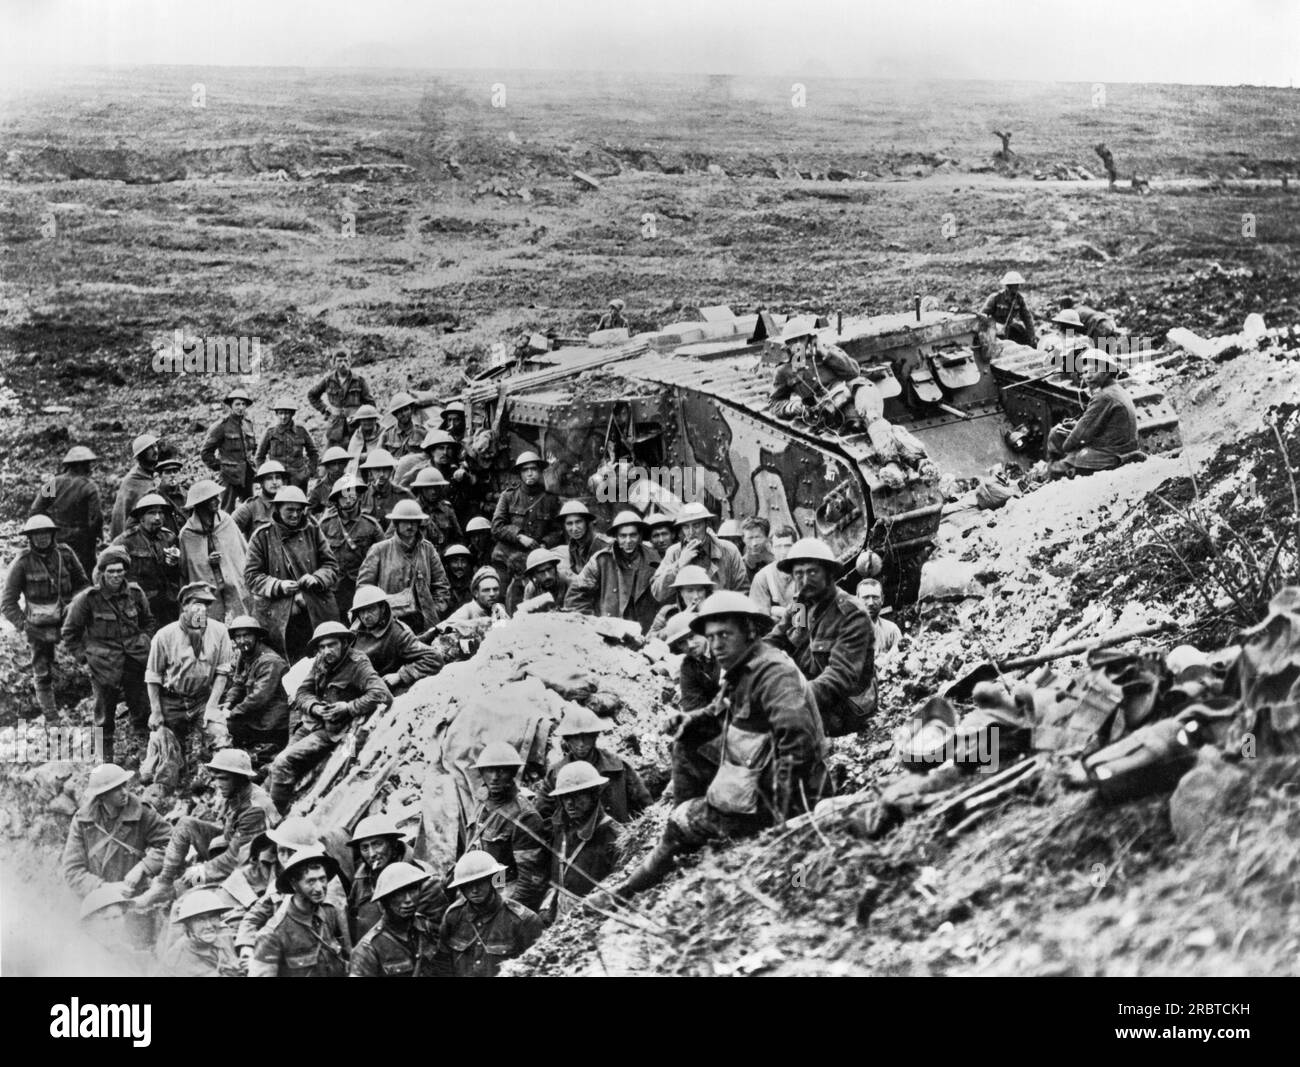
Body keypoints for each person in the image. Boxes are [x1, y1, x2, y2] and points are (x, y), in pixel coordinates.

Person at [610, 593, 830, 898]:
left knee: (680, 823)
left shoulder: (773, 674)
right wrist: (689, 721)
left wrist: (782, 822)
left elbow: (799, 747)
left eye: (724, 635)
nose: (716, 646)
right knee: (687, 742)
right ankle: (696, 831)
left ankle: (628, 890)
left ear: (749, 632)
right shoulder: (743, 670)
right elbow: (718, 711)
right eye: (711, 637)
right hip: (761, 778)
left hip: (787, 797)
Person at [266, 621, 391, 813]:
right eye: (322, 647)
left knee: (285, 762)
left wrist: (348, 707)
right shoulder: (320, 661)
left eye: (331, 645)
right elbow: (302, 693)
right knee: (275, 769)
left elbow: (381, 694)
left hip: (344, 732)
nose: (326, 651)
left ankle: (276, 815)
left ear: (343, 643)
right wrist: (315, 707)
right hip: (314, 725)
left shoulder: (358, 663)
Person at [135, 748, 277, 908]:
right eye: (216, 778)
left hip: (252, 868)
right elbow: (227, 831)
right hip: (232, 850)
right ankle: (164, 882)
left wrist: (201, 871)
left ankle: (171, 891)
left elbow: (235, 859)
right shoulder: (236, 794)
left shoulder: (255, 808)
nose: (218, 784)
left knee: (185, 892)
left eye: (224, 779)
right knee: (185, 824)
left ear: (241, 778)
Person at [767, 538, 876, 737]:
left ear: (828, 574)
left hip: (846, 707)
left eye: (812, 572)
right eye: (799, 573)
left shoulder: (850, 613)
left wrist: (793, 699)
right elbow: (776, 639)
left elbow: (840, 677)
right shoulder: (801, 606)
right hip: (810, 693)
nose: (805, 580)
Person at [60, 547, 154, 761]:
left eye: (120, 571)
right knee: (104, 715)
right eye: (111, 571)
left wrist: (144, 641)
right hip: (103, 663)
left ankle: (143, 756)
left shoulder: (136, 594)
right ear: (101, 572)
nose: (115, 576)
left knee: (141, 710)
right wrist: (84, 657)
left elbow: (148, 621)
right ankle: (106, 762)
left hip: (135, 659)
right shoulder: (87, 599)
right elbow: (69, 632)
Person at [2, 514, 89, 716]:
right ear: (30, 538)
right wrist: (24, 625)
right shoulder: (22, 562)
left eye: (46, 533)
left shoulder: (65, 554)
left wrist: (77, 610)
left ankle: (97, 707)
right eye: (36, 534)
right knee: (42, 672)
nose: (42, 538)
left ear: (52, 534)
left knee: (93, 658)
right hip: (38, 625)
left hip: (69, 619)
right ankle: (51, 716)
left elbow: (83, 585)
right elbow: (7, 602)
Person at [244, 485, 340, 660]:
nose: (295, 515)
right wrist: (277, 585)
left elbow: (331, 565)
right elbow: (251, 576)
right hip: (278, 616)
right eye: (290, 510)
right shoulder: (262, 537)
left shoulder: (313, 531)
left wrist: (316, 578)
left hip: (314, 609)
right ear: (278, 508)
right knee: (285, 662)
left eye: (299, 510)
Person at [143, 581, 235, 758]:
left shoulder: (219, 631)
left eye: (206, 604)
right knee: (166, 756)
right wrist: (156, 712)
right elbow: (153, 677)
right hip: (171, 701)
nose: (201, 610)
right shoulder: (164, 636)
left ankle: (219, 779)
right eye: (196, 604)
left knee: (220, 736)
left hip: (202, 699)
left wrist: (212, 706)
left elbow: (222, 673)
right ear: (184, 606)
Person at [458, 742, 548, 911]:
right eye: (489, 770)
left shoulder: (524, 816)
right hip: (477, 887)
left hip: (504, 888)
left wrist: (506, 914)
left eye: (502, 770)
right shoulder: (482, 801)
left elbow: (530, 880)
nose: (494, 777)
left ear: (513, 773)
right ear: (481, 773)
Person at [61, 762, 170, 899]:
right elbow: (72, 871)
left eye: (124, 785)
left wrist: (143, 867)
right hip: (99, 900)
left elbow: (172, 843)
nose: (124, 792)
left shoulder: (141, 812)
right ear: (102, 796)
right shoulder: (83, 821)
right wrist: (104, 888)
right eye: (116, 789)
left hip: (136, 896)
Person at [533, 705, 650, 825]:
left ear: (594, 737)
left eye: (586, 737)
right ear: (567, 739)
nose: (581, 744)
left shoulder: (617, 766)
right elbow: (544, 816)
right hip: (577, 840)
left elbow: (645, 804)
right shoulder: (556, 774)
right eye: (575, 737)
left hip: (614, 836)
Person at [437, 850, 543, 977]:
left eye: (480, 882)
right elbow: (442, 964)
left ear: (493, 880)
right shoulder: (453, 916)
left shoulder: (523, 920)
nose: (474, 890)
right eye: (468, 884)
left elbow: (540, 967)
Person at [249, 845, 351, 977]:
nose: (319, 888)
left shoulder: (327, 915)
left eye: (322, 879)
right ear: (294, 884)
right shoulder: (273, 934)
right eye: (311, 881)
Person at [346, 814, 447, 943]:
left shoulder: (424, 878)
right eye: (364, 847)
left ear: (393, 843)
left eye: (377, 844)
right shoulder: (361, 881)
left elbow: (438, 932)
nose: (371, 854)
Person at [356, 500, 450, 638]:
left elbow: (442, 585)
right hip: (390, 623)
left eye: (414, 522)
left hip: (424, 623)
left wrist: (435, 610)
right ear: (396, 523)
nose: (410, 526)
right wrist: (379, 616)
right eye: (405, 521)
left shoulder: (428, 549)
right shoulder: (380, 550)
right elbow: (364, 588)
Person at [542, 761, 621, 923]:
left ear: (594, 795)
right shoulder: (561, 830)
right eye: (565, 797)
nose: (570, 803)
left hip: (594, 920)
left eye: (577, 795)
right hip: (560, 918)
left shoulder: (613, 836)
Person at [1046, 350, 1140, 478]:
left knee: (1059, 465)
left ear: (1107, 372)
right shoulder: (1115, 390)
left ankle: (1049, 475)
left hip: (1111, 454)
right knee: (1059, 434)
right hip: (1120, 447)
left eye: (1093, 371)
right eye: (1084, 372)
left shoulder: (1104, 396)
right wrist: (1074, 426)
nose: (1088, 376)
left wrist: (1066, 447)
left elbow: (1082, 432)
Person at [564, 510, 662, 633]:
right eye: (623, 536)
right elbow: (576, 596)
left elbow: (664, 597)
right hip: (611, 632)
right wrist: (593, 625)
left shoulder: (654, 560)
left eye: (633, 535)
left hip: (645, 632)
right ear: (616, 537)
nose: (628, 541)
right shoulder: (602, 560)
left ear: (640, 536)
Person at [492, 451, 564, 611]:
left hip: (536, 560)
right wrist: (519, 536)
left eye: (534, 469)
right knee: (499, 598)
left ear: (540, 472)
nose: (530, 473)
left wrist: (545, 544)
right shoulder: (508, 497)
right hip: (507, 558)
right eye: (525, 470)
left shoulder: (550, 499)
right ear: (520, 474)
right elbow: (496, 527)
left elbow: (558, 530)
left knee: (538, 600)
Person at [349, 861, 444, 976]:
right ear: (385, 900)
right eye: (399, 894)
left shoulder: (425, 928)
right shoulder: (367, 949)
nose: (408, 899)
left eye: (412, 890)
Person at [176, 479, 248, 624]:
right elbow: (186, 571)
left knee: (238, 628)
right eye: (211, 498)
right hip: (203, 595)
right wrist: (207, 562)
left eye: (217, 496)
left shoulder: (226, 522)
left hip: (232, 589)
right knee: (201, 631)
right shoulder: (187, 534)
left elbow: (242, 553)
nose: (218, 500)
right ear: (200, 504)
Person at [349, 585, 444, 692]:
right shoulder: (355, 630)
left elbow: (434, 658)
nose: (365, 616)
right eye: (361, 611)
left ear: (382, 608)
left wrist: (400, 676)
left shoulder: (398, 633)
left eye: (371, 609)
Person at [219, 615, 290, 753]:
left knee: (225, 726)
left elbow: (258, 698)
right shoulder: (245, 655)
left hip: (271, 724)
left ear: (257, 636)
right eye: (238, 637)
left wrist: (232, 713)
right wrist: (228, 703)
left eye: (246, 635)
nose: (242, 641)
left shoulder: (270, 661)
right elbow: (238, 683)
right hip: (256, 717)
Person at [649, 501, 747, 602]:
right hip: (688, 614)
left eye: (696, 525)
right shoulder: (674, 552)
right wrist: (678, 565)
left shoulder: (728, 550)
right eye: (686, 527)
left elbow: (743, 590)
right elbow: (658, 594)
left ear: (706, 524)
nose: (691, 532)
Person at [317, 474, 384, 619]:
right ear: (336, 500)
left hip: (361, 586)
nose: (348, 500)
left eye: (352, 496)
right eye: (343, 497)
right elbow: (316, 556)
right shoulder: (326, 525)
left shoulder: (371, 526)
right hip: (334, 588)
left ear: (359, 497)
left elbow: (383, 557)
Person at [30, 444, 102, 577]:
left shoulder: (53, 483)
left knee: (56, 572)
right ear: (81, 465)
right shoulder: (89, 487)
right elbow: (95, 519)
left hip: (56, 537)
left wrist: (47, 529)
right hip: (82, 541)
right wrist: (95, 537)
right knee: (83, 576)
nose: (89, 468)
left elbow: (36, 509)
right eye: (87, 464)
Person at [111, 492, 183, 626]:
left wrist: (175, 562)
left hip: (167, 604)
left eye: (160, 513)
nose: (157, 518)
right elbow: (109, 571)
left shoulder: (169, 538)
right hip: (139, 604)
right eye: (151, 513)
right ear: (141, 517)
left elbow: (178, 574)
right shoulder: (125, 541)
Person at [768, 321, 862, 420]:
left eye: (802, 338)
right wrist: (790, 406)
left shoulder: (826, 351)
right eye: (794, 341)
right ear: (787, 344)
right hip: (823, 413)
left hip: (847, 397)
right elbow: (774, 404)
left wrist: (825, 353)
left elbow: (854, 372)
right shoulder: (784, 370)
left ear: (810, 339)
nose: (799, 344)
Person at [201, 386, 258, 512]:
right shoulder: (221, 426)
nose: (241, 407)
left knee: (251, 508)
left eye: (243, 404)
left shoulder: (248, 424)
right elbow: (206, 452)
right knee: (227, 511)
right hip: (229, 477)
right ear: (230, 406)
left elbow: (253, 447)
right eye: (237, 404)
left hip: (247, 474)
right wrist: (220, 467)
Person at [161, 890, 242, 976]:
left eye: (213, 917)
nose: (208, 926)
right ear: (188, 925)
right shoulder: (176, 957)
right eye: (200, 920)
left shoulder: (225, 934)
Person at [307, 349, 375, 447]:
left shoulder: (359, 381)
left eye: (346, 360)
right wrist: (325, 409)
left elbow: (370, 404)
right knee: (330, 455)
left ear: (350, 362)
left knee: (358, 452)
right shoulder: (328, 381)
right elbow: (312, 395)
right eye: (339, 361)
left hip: (356, 426)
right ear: (334, 363)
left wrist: (359, 415)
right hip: (335, 426)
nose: (343, 364)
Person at [256, 398, 319, 491]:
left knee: (299, 504)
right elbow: (259, 457)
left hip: (299, 479)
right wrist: (264, 476)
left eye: (286, 413)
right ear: (276, 414)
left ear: (292, 414)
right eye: (280, 413)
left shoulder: (300, 430)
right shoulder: (270, 432)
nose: (283, 417)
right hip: (278, 480)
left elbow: (313, 453)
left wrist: (309, 472)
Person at [109, 434, 160, 538]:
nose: (155, 451)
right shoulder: (131, 481)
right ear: (141, 454)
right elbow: (121, 515)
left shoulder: (156, 476)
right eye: (150, 448)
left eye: (155, 446)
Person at [648, 563, 714, 639]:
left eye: (700, 590)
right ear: (680, 593)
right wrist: (679, 621)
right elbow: (649, 640)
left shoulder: (716, 611)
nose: (696, 596)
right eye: (690, 591)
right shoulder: (668, 612)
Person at [749, 524, 797, 621]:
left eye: (788, 546)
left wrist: (776, 610)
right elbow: (759, 616)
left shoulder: (806, 573)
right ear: (771, 548)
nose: (783, 551)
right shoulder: (763, 577)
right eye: (778, 546)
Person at [359, 449, 414, 531]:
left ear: (391, 470)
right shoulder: (361, 495)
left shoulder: (403, 495)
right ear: (370, 471)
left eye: (385, 469)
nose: (381, 474)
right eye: (377, 470)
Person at [409, 466, 463, 551]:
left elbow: (458, 538)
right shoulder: (410, 509)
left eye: (436, 487)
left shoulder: (447, 509)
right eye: (429, 488)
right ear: (421, 489)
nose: (433, 492)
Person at [231, 460, 286, 539]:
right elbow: (229, 530)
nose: (274, 482)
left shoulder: (289, 503)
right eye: (269, 478)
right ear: (262, 482)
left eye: (278, 477)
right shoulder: (251, 506)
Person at [982, 270, 1037, 347]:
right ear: (1007, 286)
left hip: (1006, 331)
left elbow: (1027, 318)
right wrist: (992, 327)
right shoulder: (995, 298)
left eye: (1017, 285)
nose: (1016, 287)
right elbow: (982, 316)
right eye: (1013, 285)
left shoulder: (1019, 299)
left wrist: (1032, 336)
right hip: (993, 330)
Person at [444, 566, 510, 625]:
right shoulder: (468, 609)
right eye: (486, 590)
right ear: (476, 593)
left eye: (495, 589)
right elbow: (444, 626)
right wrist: (477, 622)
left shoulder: (497, 609)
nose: (492, 594)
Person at [855, 578, 901, 657]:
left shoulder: (891, 630)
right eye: (865, 597)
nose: (871, 603)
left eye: (875, 597)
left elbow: (902, 657)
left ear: (882, 599)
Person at [308, 446, 352, 516]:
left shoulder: (353, 483)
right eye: (333, 464)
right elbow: (309, 512)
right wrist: (323, 515)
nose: (337, 468)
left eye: (340, 463)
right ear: (327, 467)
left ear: (345, 464)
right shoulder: (320, 488)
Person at [379, 393, 424, 459]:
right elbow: (379, 456)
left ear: (411, 410)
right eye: (399, 411)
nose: (403, 414)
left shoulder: (422, 432)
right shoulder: (387, 434)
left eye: (406, 409)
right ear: (395, 414)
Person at [1053, 303, 1120, 346]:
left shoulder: (1072, 314)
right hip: (1110, 323)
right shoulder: (1081, 309)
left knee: (1094, 352)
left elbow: (1070, 333)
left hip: (1100, 325)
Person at [154, 457, 188, 536]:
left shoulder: (186, 495)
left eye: (175, 472)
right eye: (168, 472)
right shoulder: (155, 497)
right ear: (160, 476)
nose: (172, 475)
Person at [739, 517, 774, 583]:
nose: (754, 543)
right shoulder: (739, 567)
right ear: (743, 539)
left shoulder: (775, 563)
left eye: (758, 537)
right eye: (750, 538)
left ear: (767, 538)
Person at [442, 544, 474, 611]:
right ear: (447, 565)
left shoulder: (474, 588)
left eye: (463, 561)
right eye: (455, 561)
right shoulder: (441, 589)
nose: (460, 566)